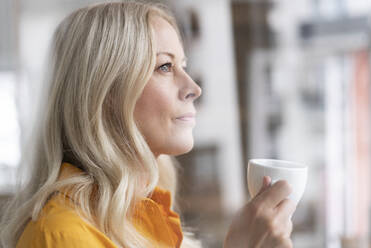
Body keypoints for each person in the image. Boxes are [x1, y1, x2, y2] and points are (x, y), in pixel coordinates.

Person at [0, 1, 295, 247]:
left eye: (184, 66)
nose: (193, 87)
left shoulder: (145, 221)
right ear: (106, 93)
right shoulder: (63, 236)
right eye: (165, 67)